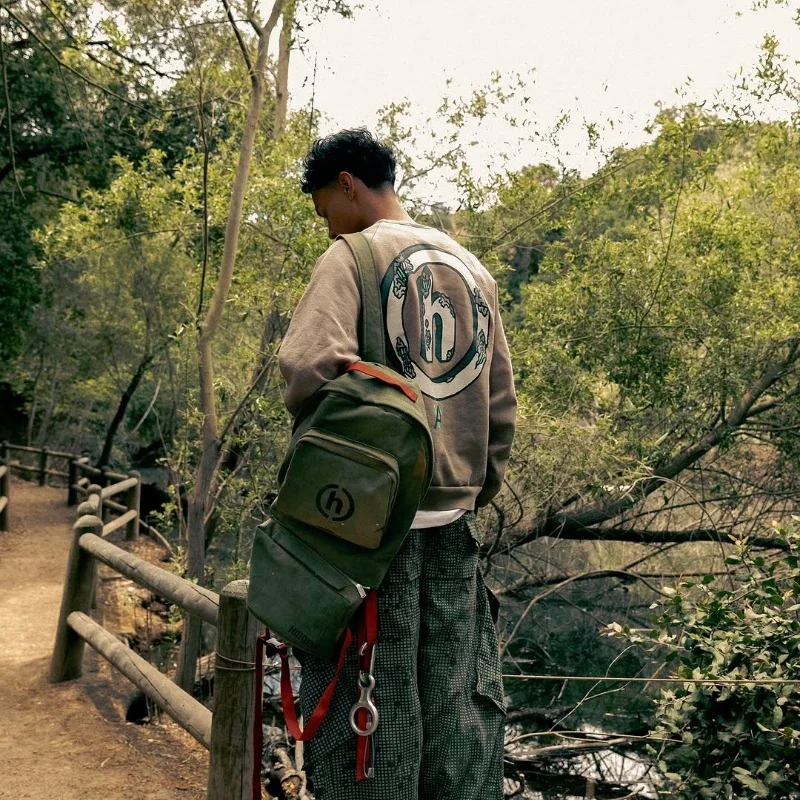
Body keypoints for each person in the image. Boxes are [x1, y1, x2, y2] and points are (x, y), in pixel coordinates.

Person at [277, 128, 517, 800]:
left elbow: (306, 367)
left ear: (348, 183)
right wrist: (472, 489)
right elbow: (500, 406)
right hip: (452, 528)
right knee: (453, 711)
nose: (327, 225)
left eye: (324, 206)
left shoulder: (352, 258)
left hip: (367, 537)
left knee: (368, 719)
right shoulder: (473, 270)